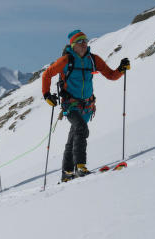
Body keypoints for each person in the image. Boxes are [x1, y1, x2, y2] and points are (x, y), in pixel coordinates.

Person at [42, 29, 130, 182]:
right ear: (73, 45)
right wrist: (47, 95)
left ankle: (67, 173)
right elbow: (47, 74)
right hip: (70, 105)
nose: (84, 44)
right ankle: (80, 167)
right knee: (81, 129)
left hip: (88, 106)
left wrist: (121, 70)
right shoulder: (66, 60)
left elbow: (110, 75)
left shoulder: (93, 60)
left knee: (74, 136)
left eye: (85, 41)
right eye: (80, 42)